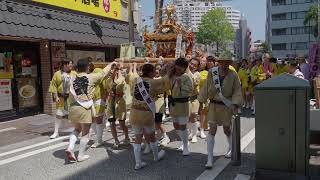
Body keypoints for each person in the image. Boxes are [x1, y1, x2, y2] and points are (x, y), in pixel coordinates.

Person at [65, 58, 116, 162]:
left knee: (76, 129)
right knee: (85, 133)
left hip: (73, 107)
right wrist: (111, 64)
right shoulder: (91, 77)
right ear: (87, 67)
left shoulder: (72, 78)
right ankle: (80, 155)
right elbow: (103, 73)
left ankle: (70, 147)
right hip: (84, 108)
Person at [198, 53, 243, 169]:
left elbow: (237, 89)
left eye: (227, 62)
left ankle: (231, 147)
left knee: (227, 129)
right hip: (213, 105)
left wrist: (235, 104)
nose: (225, 64)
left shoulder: (233, 75)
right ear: (219, 62)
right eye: (223, 61)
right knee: (212, 129)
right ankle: (210, 158)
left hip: (226, 106)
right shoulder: (212, 72)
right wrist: (201, 101)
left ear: (230, 63)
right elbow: (206, 86)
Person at [128, 63, 166, 170]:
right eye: (154, 71)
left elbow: (131, 76)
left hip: (134, 112)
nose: (155, 73)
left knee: (137, 137)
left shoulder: (136, 80)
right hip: (146, 114)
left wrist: (133, 66)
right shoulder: (154, 82)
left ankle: (138, 163)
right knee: (152, 136)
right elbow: (165, 83)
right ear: (150, 72)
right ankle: (156, 157)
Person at [167, 58, 193, 156]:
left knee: (183, 126)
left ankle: (185, 146)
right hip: (173, 104)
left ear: (184, 68)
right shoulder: (171, 75)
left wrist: (181, 85)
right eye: (178, 65)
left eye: (181, 66)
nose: (179, 68)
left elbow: (190, 89)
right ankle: (184, 140)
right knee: (175, 125)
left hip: (183, 104)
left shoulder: (187, 76)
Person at [49, 59, 76, 139]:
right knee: (58, 115)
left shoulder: (74, 73)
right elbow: (54, 86)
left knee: (73, 115)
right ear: (65, 64)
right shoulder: (57, 74)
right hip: (61, 98)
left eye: (72, 64)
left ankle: (77, 130)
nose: (71, 65)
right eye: (70, 64)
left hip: (71, 98)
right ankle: (56, 132)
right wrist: (56, 96)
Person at [105, 64, 131, 148]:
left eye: (114, 69)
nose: (112, 71)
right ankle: (116, 140)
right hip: (111, 102)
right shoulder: (107, 80)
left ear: (117, 70)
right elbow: (107, 90)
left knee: (122, 123)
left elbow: (124, 85)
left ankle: (127, 137)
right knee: (112, 122)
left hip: (120, 102)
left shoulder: (122, 79)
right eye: (111, 69)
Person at [88, 62, 108, 148]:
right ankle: (100, 137)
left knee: (97, 119)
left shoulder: (97, 71)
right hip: (90, 100)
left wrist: (105, 97)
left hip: (99, 98)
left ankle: (99, 140)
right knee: (93, 119)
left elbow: (105, 85)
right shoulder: (86, 74)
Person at [187, 58, 201, 143]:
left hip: (194, 98)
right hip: (186, 99)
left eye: (195, 65)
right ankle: (191, 132)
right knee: (187, 117)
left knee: (193, 116)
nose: (192, 66)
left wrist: (187, 71)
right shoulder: (184, 73)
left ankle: (195, 135)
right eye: (191, 64)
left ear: (197, 67)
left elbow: (194, 82)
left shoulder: (197, 74)